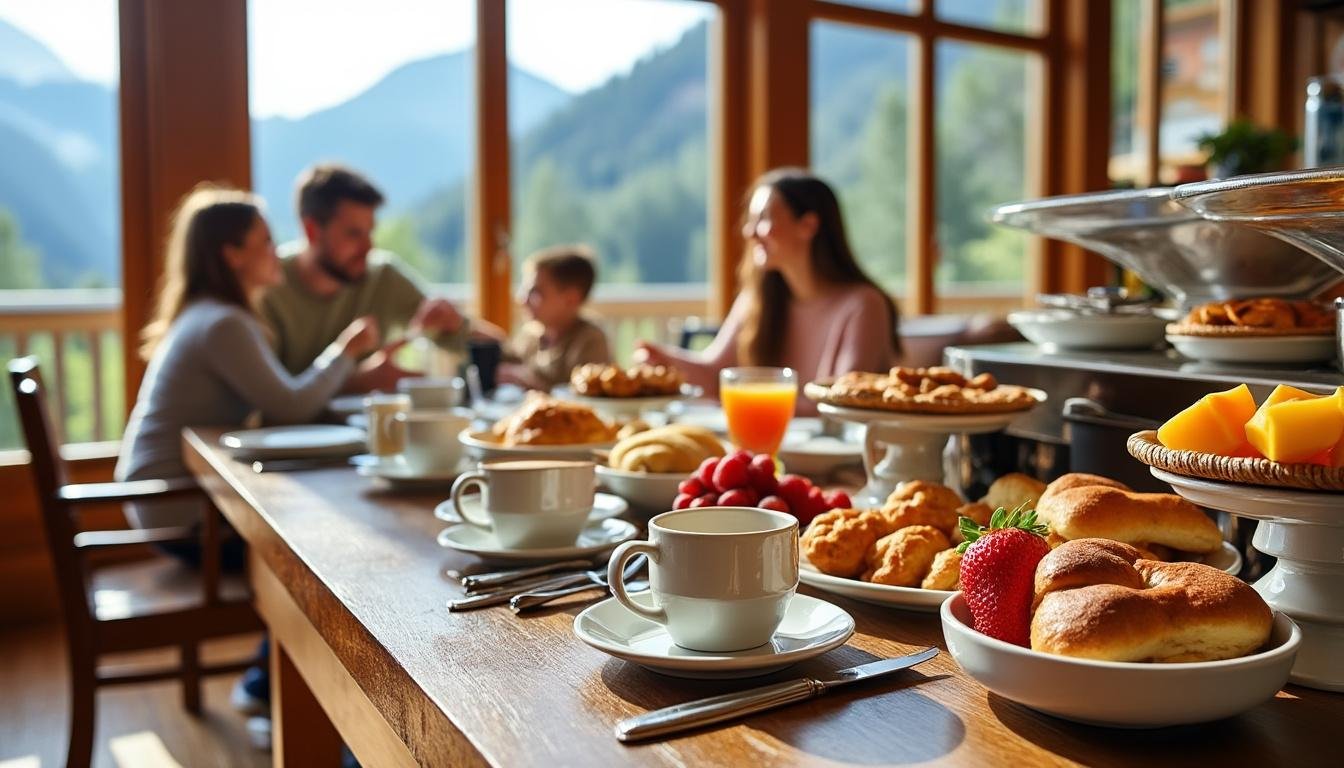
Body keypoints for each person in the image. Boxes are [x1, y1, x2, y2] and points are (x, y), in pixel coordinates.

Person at [116, 185, 379, 542]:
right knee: (333, 534)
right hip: (181, 512)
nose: (277, 252)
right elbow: (291, 407)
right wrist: (346, 350)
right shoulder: (224, 324)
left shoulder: (208, 314)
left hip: (168, 503)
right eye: (267, 241)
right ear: (233, 254)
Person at [635, 167, 900, 416]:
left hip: (838, 462)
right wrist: (663, 360)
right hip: (767, 449)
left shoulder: (863, 305)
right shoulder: (758, 299)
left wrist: (748, 405)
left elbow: (841, 406)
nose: (749, 233)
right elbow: (718, 375)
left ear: (807, 225)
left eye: (763, 219)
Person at [259, 164, 470, 392]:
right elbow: (270, 399)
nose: (368, 247)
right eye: (353, 234)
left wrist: (454, 324)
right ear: (312, 230)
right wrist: (355, 383)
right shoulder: (266, 287)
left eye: (369, 232)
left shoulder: (381, 277)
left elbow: (474, 341)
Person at [478, 245, 612, 391]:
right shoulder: (532, 334)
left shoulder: (590, 341)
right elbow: (509, 358)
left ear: (571, 299)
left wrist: (529, 382)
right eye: (525, 290)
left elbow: (588, 397)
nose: (522, 299)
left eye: (535, 293)